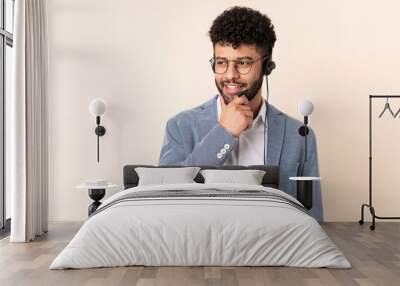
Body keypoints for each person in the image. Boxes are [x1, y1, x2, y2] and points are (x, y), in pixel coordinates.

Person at [159, 6, 322, 221]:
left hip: (272, 250)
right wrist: (224, 133)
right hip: (200, 250)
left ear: (267, 66)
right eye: (221, 62)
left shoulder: (300, 136)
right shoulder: (179, 127)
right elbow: (164, 200)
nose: (230, 75)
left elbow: (314, 219)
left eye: (243, 63)